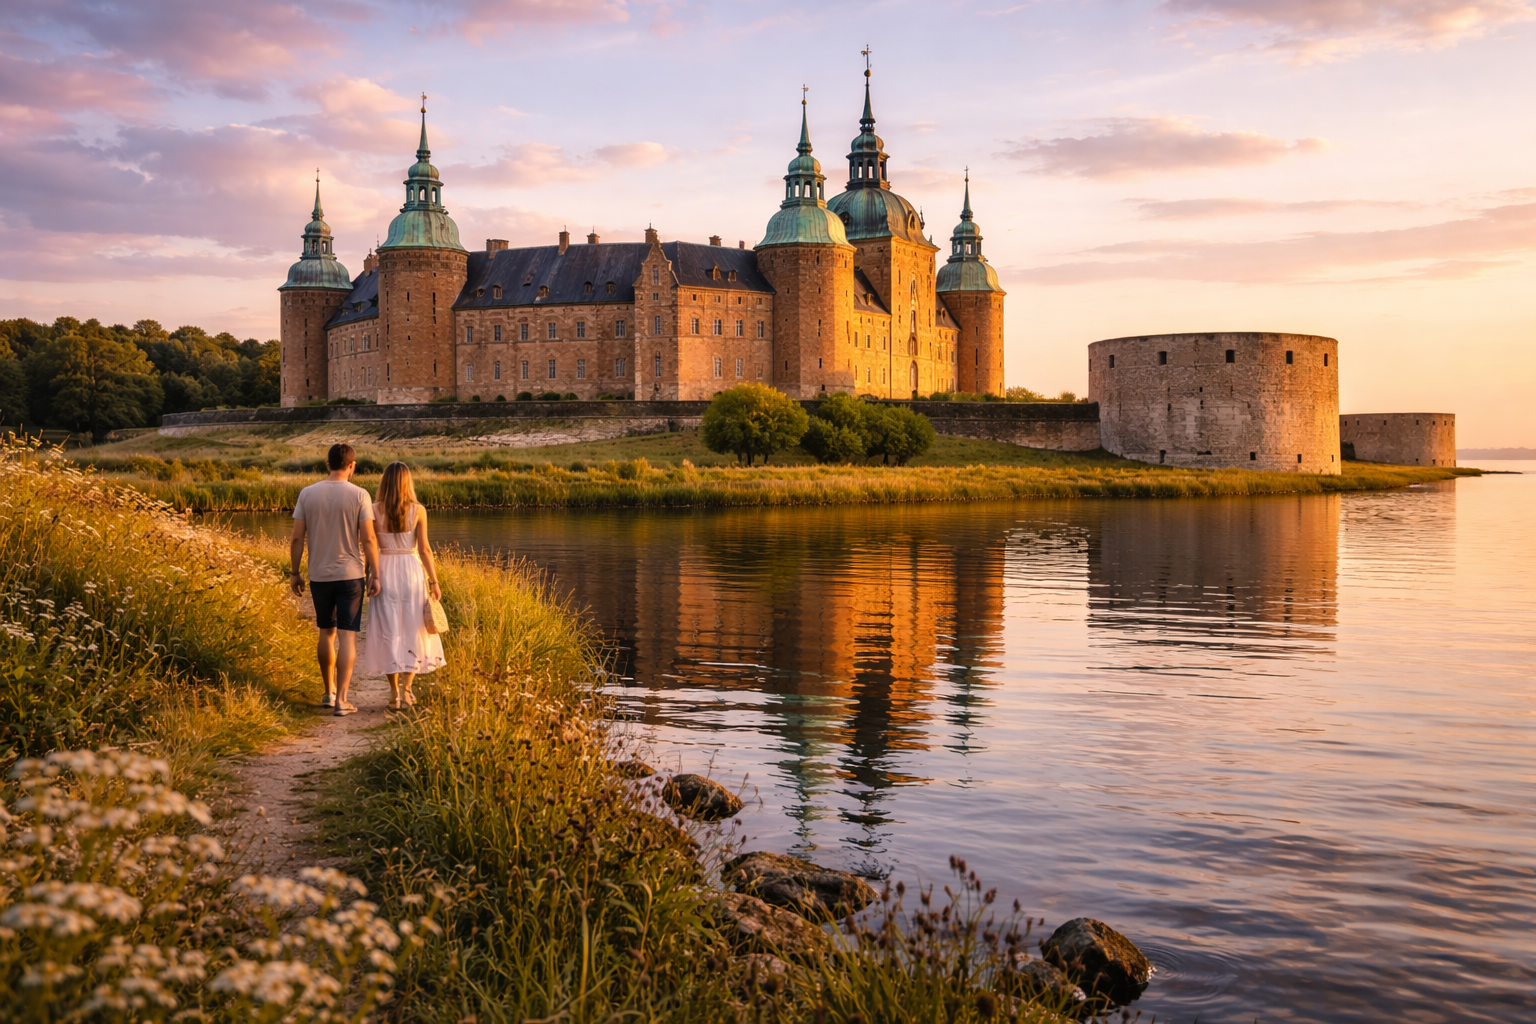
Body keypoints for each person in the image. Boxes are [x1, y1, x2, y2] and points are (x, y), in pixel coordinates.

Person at [290, 443, 380, 716]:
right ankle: (342, 701)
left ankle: (328, 693)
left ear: (327, 463)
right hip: (351, 575)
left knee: (325, 633)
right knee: (347, 637)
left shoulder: (307, 494)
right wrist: (374, 571)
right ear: (352, 466)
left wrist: (295, 572)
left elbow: (297, 538)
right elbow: (368, 538)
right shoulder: (360, 495)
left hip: (319, 575)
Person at [360, 461, 445, 708]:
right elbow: (426, 549)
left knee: (388, 628)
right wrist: (434, 581)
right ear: (408, 482)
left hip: (383, 569)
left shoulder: (373, 510)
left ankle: (394, 693)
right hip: (410, 571)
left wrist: (369, 574)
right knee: (412, 627)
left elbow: (370, 545)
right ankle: (408, 689)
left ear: (384, 482)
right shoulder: (418, 510)